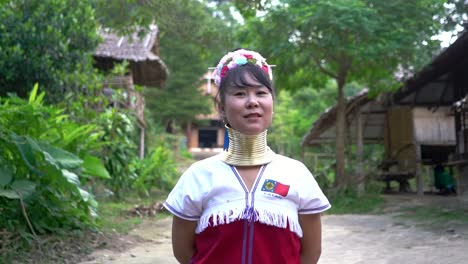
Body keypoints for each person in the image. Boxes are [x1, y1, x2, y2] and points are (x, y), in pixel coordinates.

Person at [163, 49, 331, 264]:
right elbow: (185, 254)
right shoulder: (198, 176)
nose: (252, 102)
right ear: (221, 107)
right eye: (240, 94)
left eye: (261, 93)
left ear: (272, 102)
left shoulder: (296, 174)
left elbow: (310, 254)